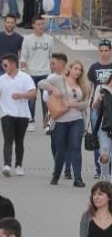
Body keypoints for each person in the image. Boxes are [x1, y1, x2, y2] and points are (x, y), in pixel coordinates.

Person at [40, 59, 89, 187]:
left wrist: (72, 104)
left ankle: (78, 178)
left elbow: (85, 104)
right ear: (69, 69)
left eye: (80, 70)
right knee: (60, 150)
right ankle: (56, 175)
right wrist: (52, 89)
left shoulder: (83, 84)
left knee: (76, 148)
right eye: (75, 69)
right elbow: (41, 83)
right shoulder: (59, 79)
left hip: (77, 120)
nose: (78, 72)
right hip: (60, 120)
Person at [0, 53, 36, 176]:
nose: (3, 67)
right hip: (6, 113)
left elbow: (33, 93)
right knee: (8, 139)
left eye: (5, 64)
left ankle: (19, 165)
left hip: (22, 114)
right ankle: (7, 164)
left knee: (19, 141)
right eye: (2, 65)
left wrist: (21, 95)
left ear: (13, 64)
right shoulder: (1, 79)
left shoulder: (25, 77)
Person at [20, 16, 54, 130]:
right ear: (33, 25)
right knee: (31, 99)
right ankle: (31, 121)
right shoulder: (28, 39)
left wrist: (54, 74)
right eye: (38, 24)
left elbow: (52, 57)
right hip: (31, 73)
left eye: (42, 24)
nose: (41, 26)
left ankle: (47, 122)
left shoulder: (49, 39)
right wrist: (23, 73)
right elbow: (23, 57)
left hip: (46, 73)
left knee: (47, 99)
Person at [87, 38, 112, 179]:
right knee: (98, 136)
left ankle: (107, 169)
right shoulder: (94, 67)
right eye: (101, 50)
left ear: (110, 51)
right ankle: (100, 168)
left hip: (111, 107)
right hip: (97, 107)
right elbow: (89, 87)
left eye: (106, 50)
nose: (104, 53)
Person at [92, 72, 112, 181]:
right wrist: (99, 99)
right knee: (105, 156)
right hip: (104, 127)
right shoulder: (101, 88)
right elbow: (94, 107)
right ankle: (105, 178)